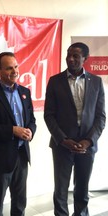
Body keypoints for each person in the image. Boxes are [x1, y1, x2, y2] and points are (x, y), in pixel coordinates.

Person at [44, 42, 106, 216]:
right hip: (62, 145)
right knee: (61, 190)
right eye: (68, 55)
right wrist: (63, 140)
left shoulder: (96, 82)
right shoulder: (55, 81)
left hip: (87, 146)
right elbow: (49, 115)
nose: (70, 59)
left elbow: (101, 117)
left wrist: (88, 140)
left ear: (85, 59)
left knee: (82, 190)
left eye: (75, 56)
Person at [0, 52, 37, 216]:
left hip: (22, 156)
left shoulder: (25, 92)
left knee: (20, 202)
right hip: (0, 158)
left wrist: (31, 130)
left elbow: (32, 119)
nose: (15, 71)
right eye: (9, 68)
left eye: (16, 66)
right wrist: (12, 130)